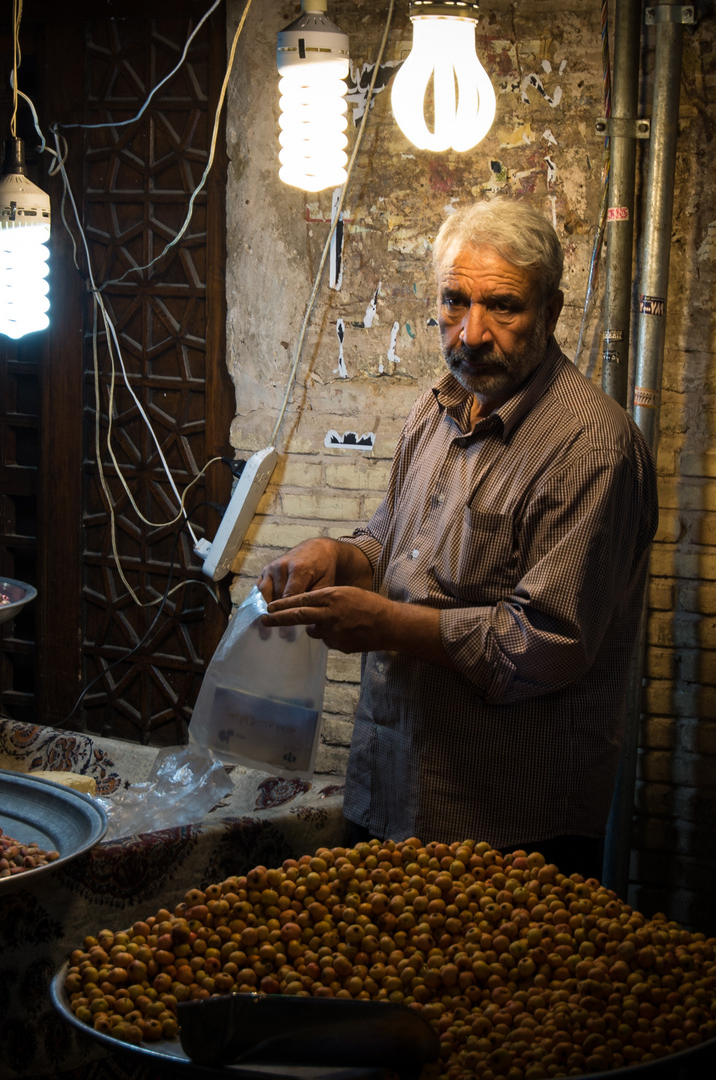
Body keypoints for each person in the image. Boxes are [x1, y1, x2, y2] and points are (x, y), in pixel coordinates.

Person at [258, 199, 657, 882]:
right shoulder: (438, 406)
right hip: (391, 785)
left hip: (509, 823)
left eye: (503, 307)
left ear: (551, 312)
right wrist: (341, 555)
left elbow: (542, 645)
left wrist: (388, 624)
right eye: (454, 301)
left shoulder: (592, 447)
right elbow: (396, 540)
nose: (472, 334)